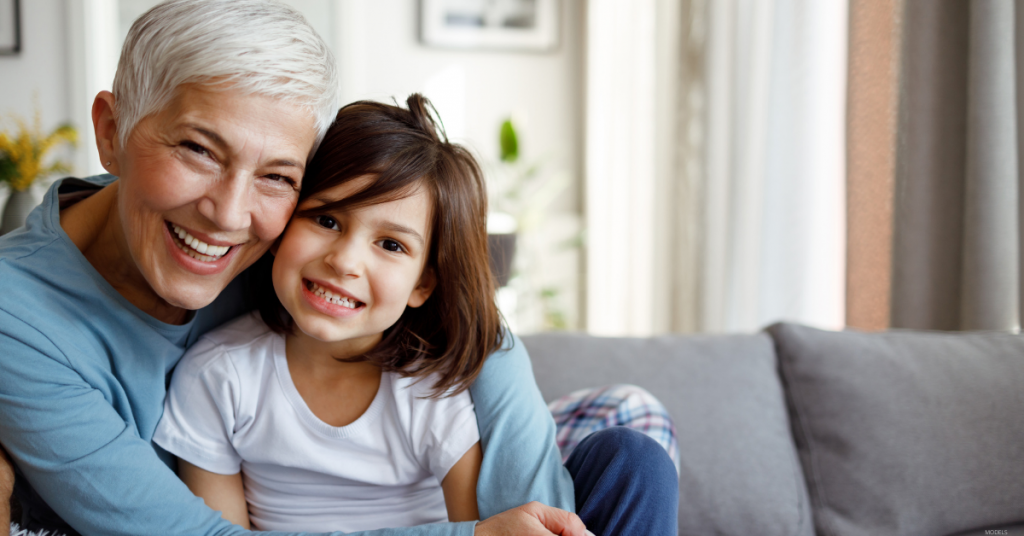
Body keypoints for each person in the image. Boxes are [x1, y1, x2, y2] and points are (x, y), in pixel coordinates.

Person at [0, 1, 679, 535]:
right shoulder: (18, 314)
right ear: (111, 131)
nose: (230, 214)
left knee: (631, 447)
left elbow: (466, 325)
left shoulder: (281, 239)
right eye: (197, 149)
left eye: (277, 175)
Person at [153, 95, 507, 531]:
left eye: (391, 245)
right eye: (326, 221)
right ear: (282, 226)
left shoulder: (432, 391)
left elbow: (478, 527)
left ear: (422, 284)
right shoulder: (218, 376)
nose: (344, 261)